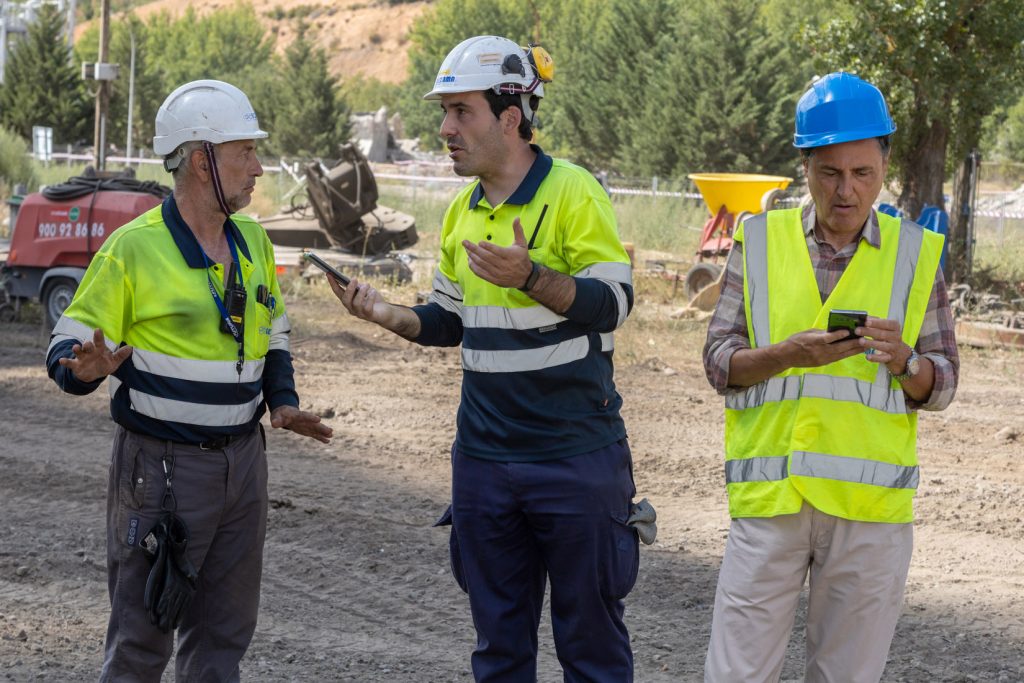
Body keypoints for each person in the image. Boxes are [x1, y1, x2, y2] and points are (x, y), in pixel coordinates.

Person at [328, 36, 642, 682]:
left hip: (574, 458)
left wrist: (532, 277)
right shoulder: (461, 212)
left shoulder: (574, 192)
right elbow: (449, 321)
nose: (445, 129)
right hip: (483, 463)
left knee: (593, 650)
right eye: (444, 113)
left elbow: (613, 303)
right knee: (498, 652)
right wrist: (386, 313)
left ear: (510, 117)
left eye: (460, 112)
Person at [46, 79, 332, 681]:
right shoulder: (132, 249)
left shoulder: (253, 240)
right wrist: (83, 369)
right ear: (203, 161)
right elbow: (66, 345)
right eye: (245, 152)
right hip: (160, 469)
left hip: (244, 464)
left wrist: (281, 400)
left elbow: (274, 328)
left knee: (223, 638)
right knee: (141, 640)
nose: (258, 167)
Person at [702, 71, 959, 682]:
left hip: (869, 512)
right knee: (735, 674)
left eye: (862, 173)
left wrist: (905, 361)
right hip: (771, 501)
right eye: (830, 173)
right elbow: (718, 361)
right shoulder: (758, 241)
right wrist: (786, 355)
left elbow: (943, 383)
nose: (847, 190)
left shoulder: (916, 254)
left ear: (884, 167)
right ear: (805, 168)